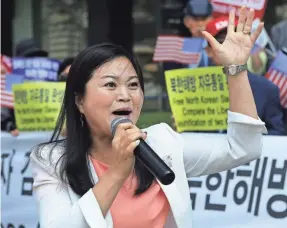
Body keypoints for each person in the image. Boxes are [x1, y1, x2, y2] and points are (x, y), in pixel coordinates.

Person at [30, 7, 267, 227]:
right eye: (110, 84)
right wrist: (117, 172)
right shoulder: (51, 161)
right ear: (79, 101)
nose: (125, 95)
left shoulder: (163, 143)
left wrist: (236, 70)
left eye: (133, 85)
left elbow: (243, 148)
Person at [205, 16, 286, 135]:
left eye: (237, 41)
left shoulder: (267, 90)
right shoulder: (194, 88)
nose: (229, 48)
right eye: (222, 42)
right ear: (208, 51)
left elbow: (277, 134)